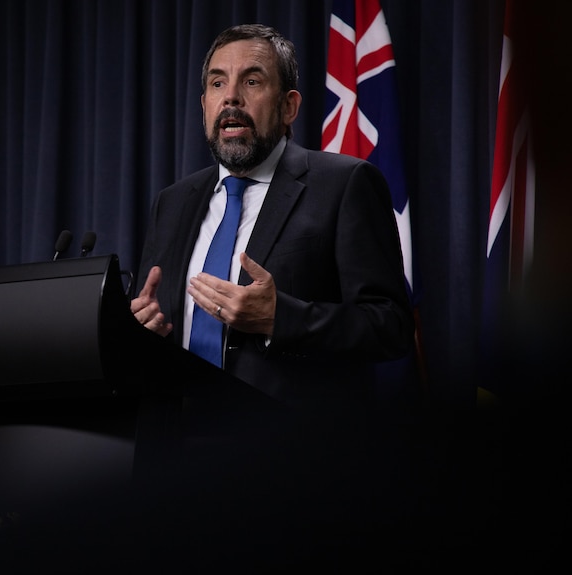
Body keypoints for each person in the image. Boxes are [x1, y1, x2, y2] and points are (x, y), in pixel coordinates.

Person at [129, 23, 416, 568]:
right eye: (217, 83)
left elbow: (390, 326)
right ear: (204, 103)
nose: (230, 97)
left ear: (289, 105)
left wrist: (282, 317)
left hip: (292, 476)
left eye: (251, 81)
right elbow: (161, 321)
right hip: (176, 473)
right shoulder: (174, 201)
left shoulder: (345, 183)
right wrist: (144, 330)